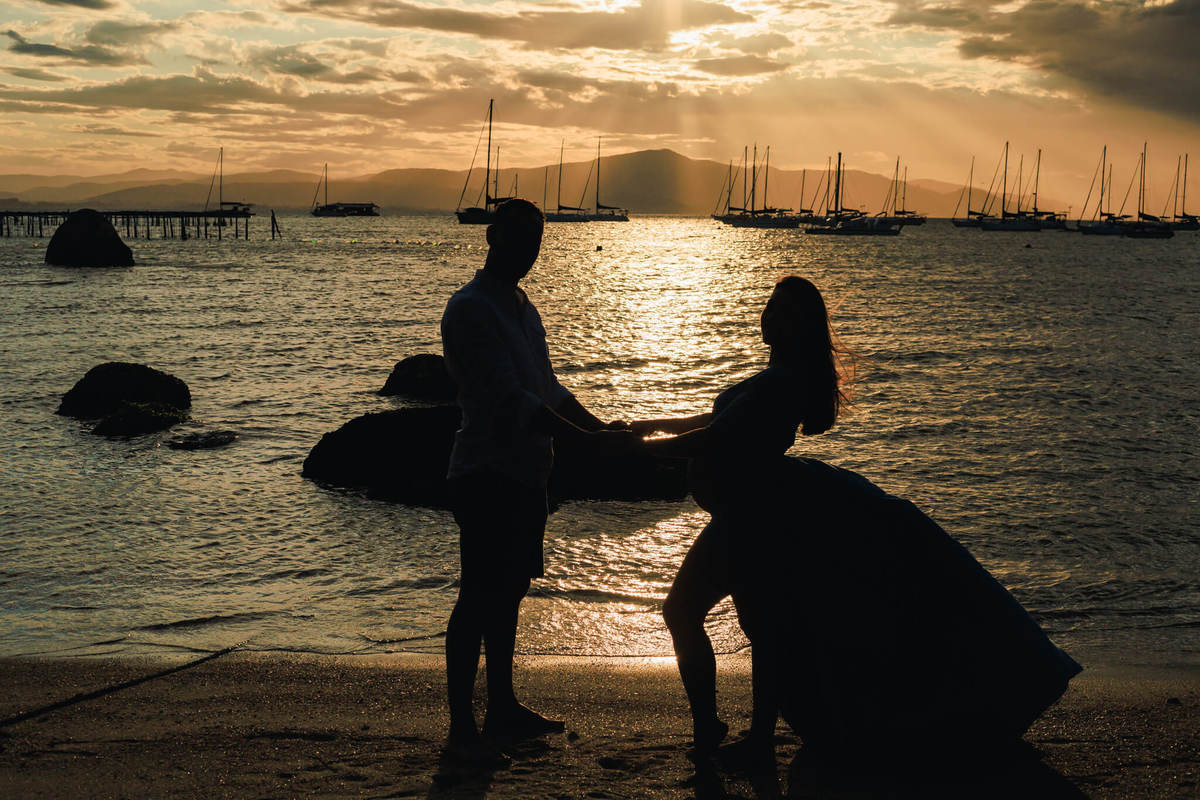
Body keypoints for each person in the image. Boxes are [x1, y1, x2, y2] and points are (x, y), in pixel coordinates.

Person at [633, 275, 1082, 763]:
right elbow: (715, 423)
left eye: (784, 311)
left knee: (699, 613)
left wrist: (639, 450)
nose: (770, 316)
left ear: (801, 327)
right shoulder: (779, 376)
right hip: (754, 510)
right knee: (762, 624)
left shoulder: (783, 382)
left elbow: (714, 439)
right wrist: (653, 426)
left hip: (755, 513)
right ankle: (747, 735)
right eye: (770, 306)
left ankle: (725, 730)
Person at [440, 198, 633, 765]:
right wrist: (588, 442)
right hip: (485, 472)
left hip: (528, 473)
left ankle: (501, 706)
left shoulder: (524, 309)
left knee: (509, 592)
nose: (528, 250)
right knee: (479, 594)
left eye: (536, 241)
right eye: (519, 238)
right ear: (493, 237)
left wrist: (600, 427)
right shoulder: (471, 309)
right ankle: (462, 727)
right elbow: (511, 401)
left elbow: (548, 390)